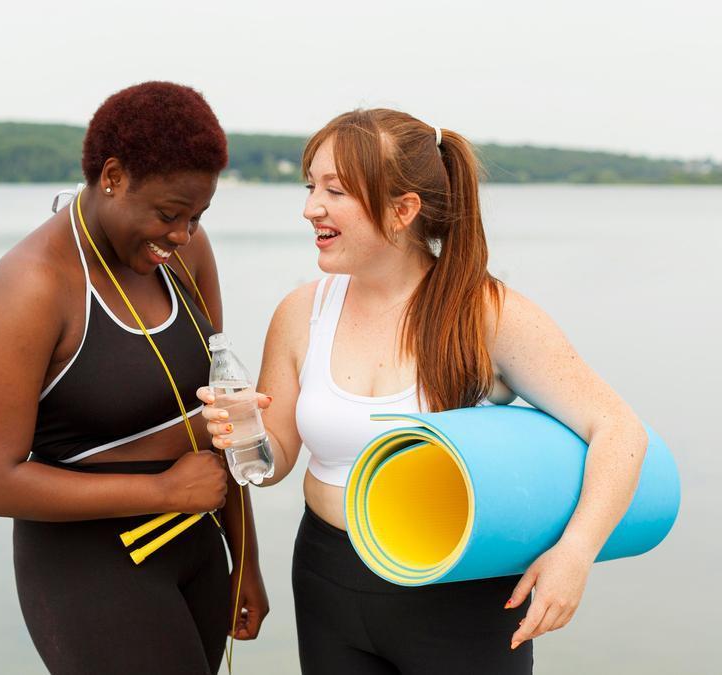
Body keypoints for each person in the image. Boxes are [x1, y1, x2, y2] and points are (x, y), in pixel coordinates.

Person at [198, 108, 648, 674]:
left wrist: (575, 554)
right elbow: (276, 461)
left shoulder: (485, 314)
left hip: (458, 597)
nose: (311, 206)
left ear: (403, 210)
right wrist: (243, 431)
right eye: (310, 185)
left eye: (335, 190)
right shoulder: (301, 312)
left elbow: (618, 430)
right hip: (326, 580)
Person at [0, 81, 269, 675]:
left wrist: (244, 559)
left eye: (198, 215)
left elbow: (220, 422)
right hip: (90, 571)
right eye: (169, 213)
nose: (181, 235)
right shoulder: (32, 286)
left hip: (196, 551)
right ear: (112, 176)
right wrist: (162, 492)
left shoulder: (185, 255)